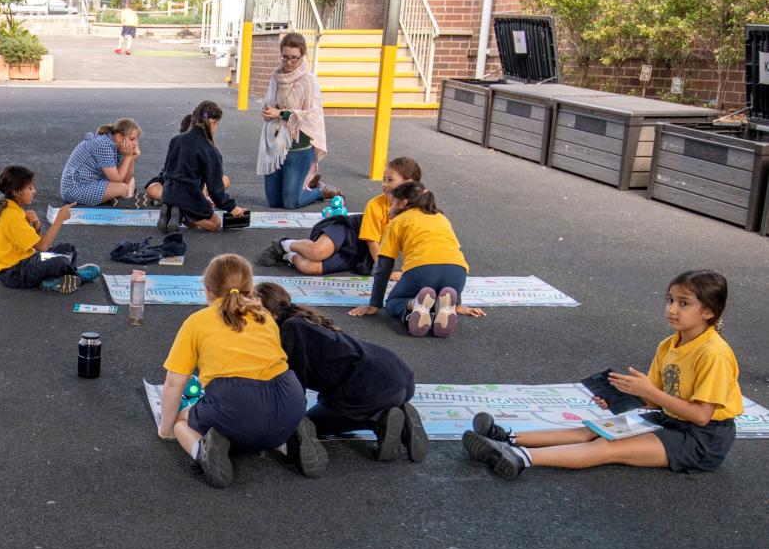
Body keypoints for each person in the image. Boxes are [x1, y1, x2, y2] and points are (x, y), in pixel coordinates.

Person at [465, 271, 741, 479]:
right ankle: (508, 437)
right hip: (671, 419)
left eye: (683, 303)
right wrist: (623, 397)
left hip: (703, 439)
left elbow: (702, 415)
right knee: (592, 430)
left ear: (708, 312)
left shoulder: (713, 353)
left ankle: (520, 457)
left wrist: (650, 392)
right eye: (670, 300)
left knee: (609, 446)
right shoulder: (669, 344)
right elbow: (657, 402)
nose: (671, 309)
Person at [157, 253, 321, 487]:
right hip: (289, 397)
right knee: (266, 425)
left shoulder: (197, 322)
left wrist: (167, 428)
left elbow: (174, 384)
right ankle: (291, 443)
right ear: (250, 288)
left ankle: (202, 451)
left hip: (237, 403)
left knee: (182, 422)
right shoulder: (264, 315)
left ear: (207, 290)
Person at [255, 282, 427, 462]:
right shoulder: (302, 317)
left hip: (374, 388)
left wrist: (283, 426)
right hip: (399, 374)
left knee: (311, 424)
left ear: (267, 314)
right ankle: (400, 418)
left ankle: (380, 422)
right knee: (332, 406)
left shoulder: (290, 330)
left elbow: (296, 389)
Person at [347, 182, 484, 338]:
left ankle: (413, 305)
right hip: (457, 274)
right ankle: (446, 306)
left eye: (392, 204)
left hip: (422, 272)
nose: (389, 209)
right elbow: (451, 253)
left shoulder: (397, 222)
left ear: (404, 203)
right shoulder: (441, 217)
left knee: (393, 302)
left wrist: (374, 304)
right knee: (438, 295)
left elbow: (383, 267)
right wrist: (458, 303)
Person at [256, 157, 427, 276]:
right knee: (318, 252)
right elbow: (373, 243)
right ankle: (283, 243)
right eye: (384, 179)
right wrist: (386, 272)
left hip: (359, 253)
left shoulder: (417, 210)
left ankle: (288, 255)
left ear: (410, 183)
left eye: (390, 180)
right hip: (348, 230)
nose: (384, 185)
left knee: (310, 267)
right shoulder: (375, 205)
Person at [0, 164, 101, 293]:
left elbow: (33, 243)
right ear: (17, 192)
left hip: (28, 260)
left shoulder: (13, 208)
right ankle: (77, 276)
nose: (34, 191)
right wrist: (59, 219)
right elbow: (42, 247)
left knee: (68, 249)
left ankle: (56, 279)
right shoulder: (12, 216)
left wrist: (37, 224)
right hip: (14, 273)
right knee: (61, 261)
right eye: (30, 188)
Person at [257, 33, 337, 210]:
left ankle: (320, 192)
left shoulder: (308, 80)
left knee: (291, 203)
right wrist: (268, 111)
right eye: (285, 57)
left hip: (299, 146)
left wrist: (281, 113)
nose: (289, 62)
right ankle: (306, 186)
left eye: (294, 58)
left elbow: (310, 114)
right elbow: (269, 103)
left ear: (302, 56)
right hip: (275, 143)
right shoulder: (276, 76)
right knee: (274, 202)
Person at [155, 101, 247, 232]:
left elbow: (166, 170)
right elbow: (215, 189)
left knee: (186, 203)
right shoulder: (210, 150)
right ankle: (184, 215)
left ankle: (173, 210)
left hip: (168, 193)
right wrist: (233, 208)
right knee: (215, 224)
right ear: (213, 122)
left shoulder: (176, 140)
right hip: (190, 195)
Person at [59, 118, 140, 206]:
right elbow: (117, 179)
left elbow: (126, 179)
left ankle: (127, 200)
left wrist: (131, 158)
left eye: (136, 139)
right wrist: (128, 156)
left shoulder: (117, 145)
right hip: (75, 189)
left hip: (94, 182)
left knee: (130, 181)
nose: (136, 143)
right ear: (119, 137)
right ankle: (126, 200)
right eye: (132, 139)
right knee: (123, 188)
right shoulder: (103, 144)